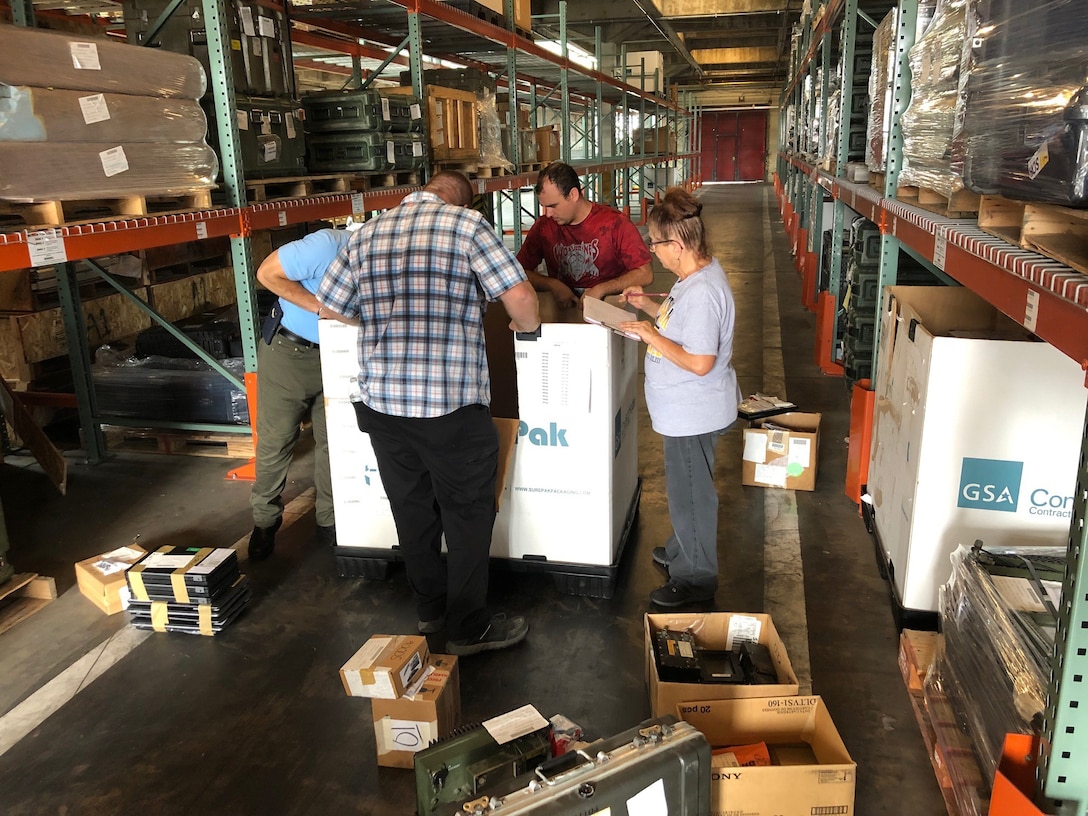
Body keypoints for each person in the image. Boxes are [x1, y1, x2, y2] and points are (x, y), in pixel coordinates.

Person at [316, 171, 541, 656]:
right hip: (450, 407)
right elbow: (520, 298)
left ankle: (430, 609)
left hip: (384, 407)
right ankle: (467, 628)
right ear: (462, 198)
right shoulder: (467, 226)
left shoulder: (367, 233)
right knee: (466, 516)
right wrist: (528, 330)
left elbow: (331, 307)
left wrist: (381, 320)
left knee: (412, 510)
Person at [619, 187, 739, 607]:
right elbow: (680, 326)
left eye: (655, 243)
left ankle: (695, 577)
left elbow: (702, 360)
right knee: (687, 489)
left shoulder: (703, 291)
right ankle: (680, 550)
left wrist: (650, 335)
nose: (653, 252)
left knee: (691, 494)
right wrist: (648, 311)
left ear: (678, 244)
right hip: (685, 411)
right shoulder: (692, 280)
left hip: (694, 413)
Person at [248, 227, 352, 562]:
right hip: (290, 352)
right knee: (277, 441)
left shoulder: (389, 262)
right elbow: (267, 273)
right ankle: (265, 521)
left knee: (334, 442)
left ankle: (330, 521)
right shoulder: (326, 246)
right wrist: (322, 308)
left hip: (340, 354)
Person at [517, 162, 653, 307]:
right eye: (545, 207)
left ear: (573, 195)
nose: (548, 214)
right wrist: (552, 285)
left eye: (553, 206)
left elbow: (645, 273)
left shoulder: (615, 223)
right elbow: (517, 272)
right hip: (564, 312)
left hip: (610, 309)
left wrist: (601, 289)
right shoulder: (543, 227)